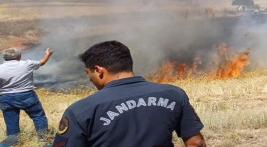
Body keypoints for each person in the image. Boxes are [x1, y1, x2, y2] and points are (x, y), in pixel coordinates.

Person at [51, 40, 206, 147]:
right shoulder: (173, 94)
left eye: (88, 73)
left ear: (98, 70)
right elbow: (196, 143)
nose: (90, 79)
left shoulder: (81, 110)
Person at [0, 47, 53, 138]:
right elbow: (42, 62)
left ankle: (13, 141)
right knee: (38, 116)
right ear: (19, 56)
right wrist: (48, 54)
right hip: (26, 96)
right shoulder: (27, 64)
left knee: (11, 122)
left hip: (5, 97)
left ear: (4, 58)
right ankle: (43, 139)